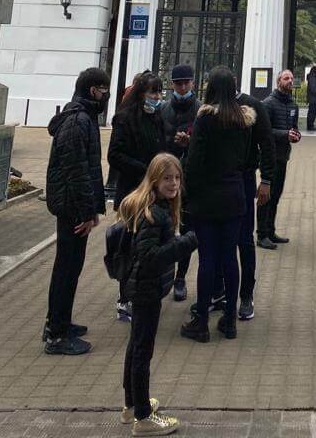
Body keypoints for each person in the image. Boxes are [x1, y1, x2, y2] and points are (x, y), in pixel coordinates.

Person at [119, 153, 198, 435]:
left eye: (176, 178)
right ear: (154, 179)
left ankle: (132, 404)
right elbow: (151, 256)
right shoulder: (154, 214)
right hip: (146, 288)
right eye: (167, 178)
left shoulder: (156, 206)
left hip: (145, 286)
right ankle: (143, 416)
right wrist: (185, 243)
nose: (173, 183)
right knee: (143, 350)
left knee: (136, 345)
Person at [180, 66, 256, 343]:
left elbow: (195, 160)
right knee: (229, 258)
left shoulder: (205, 120)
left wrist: (187, 192)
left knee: (207, 259)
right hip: (235, 195)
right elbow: (246, 159)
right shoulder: (244, 122)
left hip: (207, 197)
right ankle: (230, 320)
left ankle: (201, 321)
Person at [43, 67, 109, 354]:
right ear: (94, 90)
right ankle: (56, 333)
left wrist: (92, 208)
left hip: (76, 206)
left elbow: (87, 169)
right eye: (104, 90)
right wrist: (86, 211)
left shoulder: (84, 118)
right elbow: (77, 170)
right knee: (66, 268)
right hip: (71, 208)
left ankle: (62, 321)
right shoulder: (78, 121)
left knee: (72, 267)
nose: (106, 95)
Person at [211, 78, 276, 322]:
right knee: (217, 238)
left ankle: (246, 295)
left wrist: (267, 180)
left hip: (244, 179)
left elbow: (267, 143)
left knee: (244, 239)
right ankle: (218, 291)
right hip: (216, 181)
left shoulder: (252, 106)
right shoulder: (211, 106)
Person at [108, 73, 167, 321]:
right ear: (141, 93)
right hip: (132, 192)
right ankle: (125, 297)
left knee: (149, 245)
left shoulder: (156, 118)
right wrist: (145, 170)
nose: (157, 97)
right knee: (129, 245)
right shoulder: (124, 118)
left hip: (153, 192)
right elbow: (115, 155)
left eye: (159, 92)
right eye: (153, 92)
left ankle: (144, 291)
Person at [160, 64, 199, 302]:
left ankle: (181, 277)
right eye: (178, 83)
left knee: (186, 230)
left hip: (188, 180)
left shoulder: (200, 110)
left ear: (193, 83)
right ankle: (161, 274)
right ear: (172, 84)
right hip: (164, 178)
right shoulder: (163, 109)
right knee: (162, 228)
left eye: (186, 82)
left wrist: (189, 143)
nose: (182, 87)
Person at [256, 68, 300, 249]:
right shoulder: (268, 104)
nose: (290, 81)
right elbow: (264, 132)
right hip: (269, 157)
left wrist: (295, 135)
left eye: (291, 78)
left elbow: (294, 128)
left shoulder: (293, 105)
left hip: (283, 157)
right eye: (286, 78)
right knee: (265, 194)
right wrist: (285, 135)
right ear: (278, 82)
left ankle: (270, 230)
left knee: (276, 195)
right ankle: (261, 235)